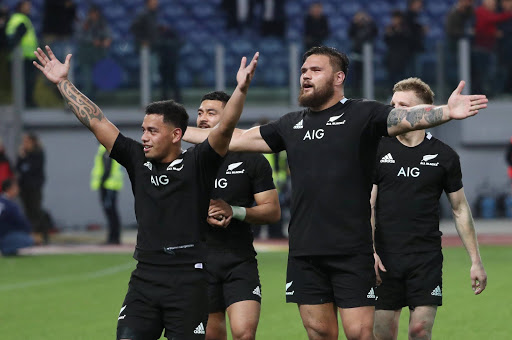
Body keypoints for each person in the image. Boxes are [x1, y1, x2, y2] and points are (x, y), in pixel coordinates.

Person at [182, 46, 488, 340]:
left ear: (338, 77)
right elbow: (230, 139)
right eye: (303, 70)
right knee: (321, 334)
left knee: (359, 334)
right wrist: (173, 134)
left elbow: (404, 118)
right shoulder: (291, 124)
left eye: (315, 70)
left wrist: (446, 111)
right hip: (305, 251)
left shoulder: (363, 115)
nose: (306, 75)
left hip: (351, 251)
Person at [33, 44, 258, 340]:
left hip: (188, 281)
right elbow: (97, 120)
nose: (144, 137)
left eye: (152, 131)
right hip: (145, 279)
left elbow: (226, 126)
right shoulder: (136, 158)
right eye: (143, 130)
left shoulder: (199, 162)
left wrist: (240, 90)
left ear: (176, 134)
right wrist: (63, 82)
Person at [370, 77, 487, 340]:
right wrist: (370, 250)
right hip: (384, 258)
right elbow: (369, 205)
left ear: (424, 111)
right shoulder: (377, 149)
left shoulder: (444, 156)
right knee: (383, 334)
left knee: (420, 331)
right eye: (392, 104)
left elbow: (460, 209)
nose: (394, 111)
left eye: (402, 105)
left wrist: (476, 262)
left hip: (426, 257)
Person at [196, 91, 280, 340]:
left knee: (244, 334)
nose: (202, 118)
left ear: (230, 117)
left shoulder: (252, 160)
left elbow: (272, 210)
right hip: (200, 263)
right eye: (200, 113)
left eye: (211, 113)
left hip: (239, 261)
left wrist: (235, 211)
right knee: (211, 336)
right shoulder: (186, 159)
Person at [6, 1, 38, 107]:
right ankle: (24, 104)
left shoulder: (23, 18)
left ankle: (26, 103)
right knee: (23, 83)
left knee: (27, 82)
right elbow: (12, 38)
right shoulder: (18, 19)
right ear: (20, 7)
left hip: (26, 56)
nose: (29, 8)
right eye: (26, 6)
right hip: (20, 57)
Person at [76, 4, 112, 99]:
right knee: (87, 80)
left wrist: (106, 40)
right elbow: (79, 37)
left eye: (95, 13)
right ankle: (84, 100)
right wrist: (92, 41)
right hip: (86, 56)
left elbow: (108, 36)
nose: (93, 16)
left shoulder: (102, 24)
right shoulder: (85, 24)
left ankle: (93, 100)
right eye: (92, 13)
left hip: (98, 56)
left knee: (97, 79)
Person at [90, 144, 123, 245]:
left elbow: (107, 167)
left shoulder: (105, 149)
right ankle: (114, 237)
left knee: (111, 212)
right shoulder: (112, 149)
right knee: (112, 212)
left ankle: (113, 238)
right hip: (111, 185)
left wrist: (102, 182)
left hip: (108, 185)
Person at [16, 132, 46, 244]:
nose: (24, 144)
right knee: (27, 211)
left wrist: (25, 160)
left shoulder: (38, 153)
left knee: (36, 211)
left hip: (35, 187)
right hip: (24, 187)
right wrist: (21, 157)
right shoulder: (24, 154)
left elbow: (32, 168)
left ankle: (40, 235)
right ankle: (31, 235)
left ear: (32, 142)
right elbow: (19, 168)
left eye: (26, 141)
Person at [0, 178, 34, 256]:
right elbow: (20, 221)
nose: (18, 190)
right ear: (9, 189)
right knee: (28, 240)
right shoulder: (10, 205)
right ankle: (7, 249)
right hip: (4, 235)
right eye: (16, 188)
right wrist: (30, 231)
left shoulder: (3, 202)